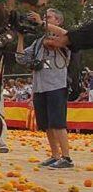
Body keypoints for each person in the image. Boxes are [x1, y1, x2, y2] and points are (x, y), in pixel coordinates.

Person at [16, 9, 73, 169]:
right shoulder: (39, 42)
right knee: (47, 124)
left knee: (58, 123)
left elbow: (65, 33)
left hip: (56, 85)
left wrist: (41, 23)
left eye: (48, 17)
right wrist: (20, 37)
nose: (44, 19)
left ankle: (66, 157)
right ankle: (55, 155)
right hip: (40, 87)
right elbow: (21, 58)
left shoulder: (64, 38)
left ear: (58, 21)